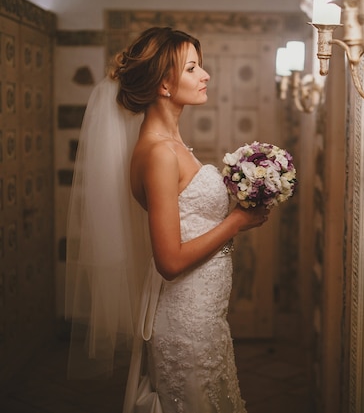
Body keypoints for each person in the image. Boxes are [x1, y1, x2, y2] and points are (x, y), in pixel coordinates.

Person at [65, 27, 269, 413]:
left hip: (205, 317)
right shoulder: (159, 153)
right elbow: (169, 261)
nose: (205, 75)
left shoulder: (173, 145)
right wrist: (237, 222)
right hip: (184, 322)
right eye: (192, 68)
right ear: (163, 84)